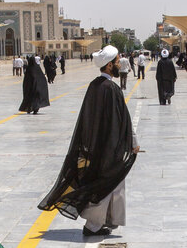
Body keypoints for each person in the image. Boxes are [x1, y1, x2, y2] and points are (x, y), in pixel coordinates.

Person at [38, 45, 139, 237]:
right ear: (109, 66)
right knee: (109, 183)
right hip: (109, 147)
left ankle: (103, 222)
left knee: (107, 183)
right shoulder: (111, 88)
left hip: (97, 146)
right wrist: (132, 142)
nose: (119, 65)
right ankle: (93, 225)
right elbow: (123, 119)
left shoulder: (95, 85)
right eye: (117, 62)